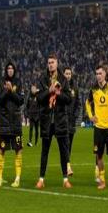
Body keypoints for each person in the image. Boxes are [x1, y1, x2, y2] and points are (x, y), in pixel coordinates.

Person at [35, 55, 72, 189]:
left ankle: (65, 179)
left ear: (57, 63)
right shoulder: (42, 79)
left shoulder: (63, 79)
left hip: (60, 121)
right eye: (49, 62)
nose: (50, 64)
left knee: (63, 151)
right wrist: (48, 91)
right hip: (46, 121)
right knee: (44, 151)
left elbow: (69, 99)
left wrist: (58, 93)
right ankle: (41, 179)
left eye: (52, 62)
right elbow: (39, 98)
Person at [85, 64, 108, 191]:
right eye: (96, 74)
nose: (98, 76)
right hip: (98, 128)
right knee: (99, 156)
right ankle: (102, 181)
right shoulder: (93, 89)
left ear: (105, 74)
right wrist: (91, 116)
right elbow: (87, 103)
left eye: (100, 73)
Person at [0, 62, 23, 188]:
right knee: (1, 150)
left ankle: (17, 178)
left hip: (16, 123)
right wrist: (7, 91)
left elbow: (21, 100)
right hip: (4, 123)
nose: (10, 70)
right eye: (8, 68)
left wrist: (12, 91)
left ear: (14, 70)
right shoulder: (0, 82)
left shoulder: (18, 82)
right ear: (6, 70)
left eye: (12, 68)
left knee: (18, 150)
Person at [64, 67, 81, 177]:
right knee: (65, 143)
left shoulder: (75, 87)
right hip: (62, 120)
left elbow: (78, 103)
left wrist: (75, 115)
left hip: (71, 121)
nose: (68, 75)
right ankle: (67, 166)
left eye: (69, 73)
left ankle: (66, 164)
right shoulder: (60, 86)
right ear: (63, 74)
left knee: (69, 144)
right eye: (66, 73)